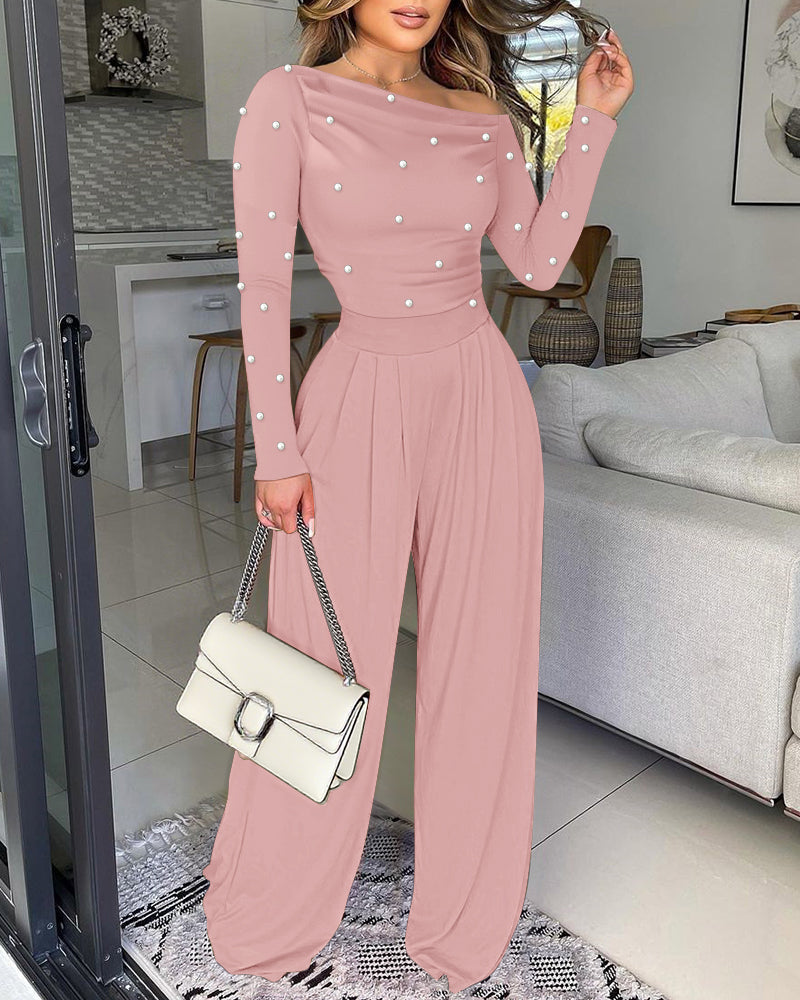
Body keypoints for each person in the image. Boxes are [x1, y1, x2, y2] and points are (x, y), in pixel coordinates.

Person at [202, 0, 634, 992]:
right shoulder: (289, 100)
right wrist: (276, 448)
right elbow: (262, 286)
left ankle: (463, 923)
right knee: (316, 657)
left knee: (483, 665)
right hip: (352, 395)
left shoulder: (481, 115)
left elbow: (536, 263)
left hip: (479, 393)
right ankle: (277, 899)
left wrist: (590, 122)